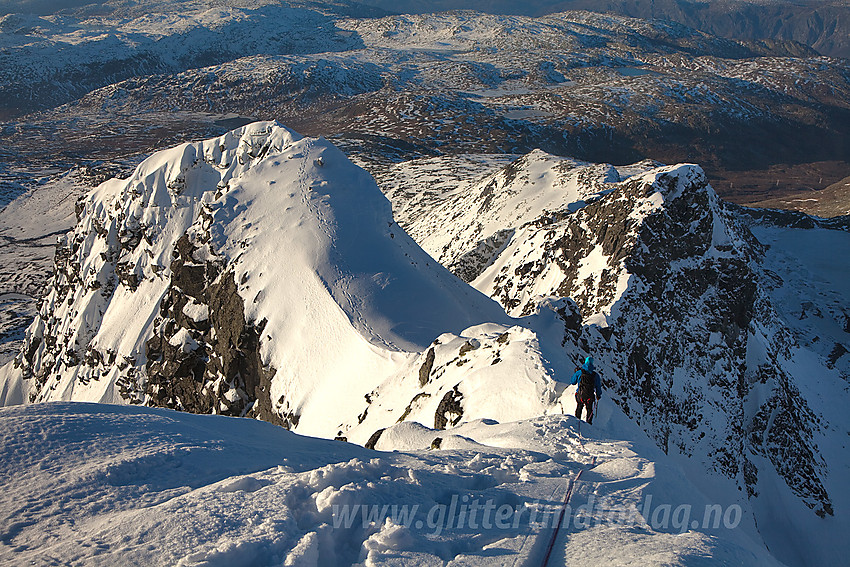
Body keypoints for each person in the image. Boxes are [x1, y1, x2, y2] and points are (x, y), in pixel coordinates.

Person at [570, 356, 602, 424]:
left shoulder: (579, 372)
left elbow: (573, 382)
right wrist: (598, 395)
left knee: (579, 406)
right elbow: (598, 387)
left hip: (580, 395)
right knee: (589, 409)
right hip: (590, 396)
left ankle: (577, 421)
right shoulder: (595, 375)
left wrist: (576, 373)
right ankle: (589, 423)